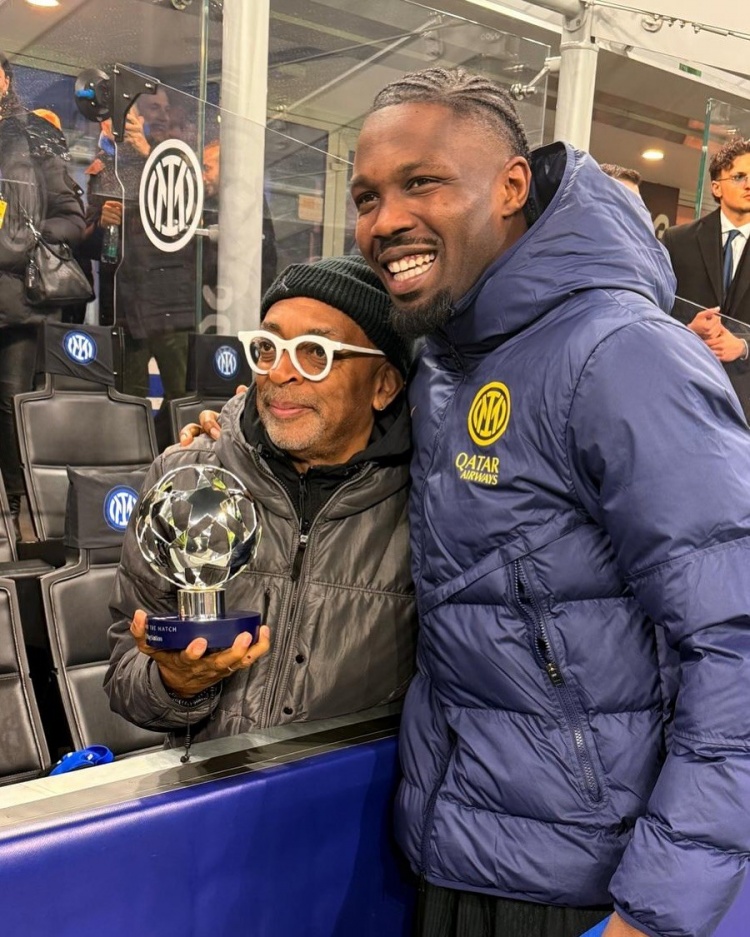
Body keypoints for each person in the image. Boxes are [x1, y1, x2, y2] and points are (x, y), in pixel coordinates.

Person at [350, 67, 750, 937]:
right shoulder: (443, 358)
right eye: (367, 196)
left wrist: (657, 909)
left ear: (511, 186)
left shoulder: (623, 354)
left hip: (591, 893)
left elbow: (736, 644)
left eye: (422, 181)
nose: (386, 220)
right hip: (455, 856)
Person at [104, 254, 416, 751]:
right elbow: (124, 678)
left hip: (351, 794)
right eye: (268, 347)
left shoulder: (427, 503)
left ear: (384, 386)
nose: (281, 372)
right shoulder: (183, 478)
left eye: (315, 352)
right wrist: (175, 684)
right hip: (210, 788)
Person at [0, 53, 85, 535]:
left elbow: (71, 217)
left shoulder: (33, 133)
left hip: (16, 304)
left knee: (11, 410)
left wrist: (24, 238)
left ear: (6, 80)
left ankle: (19, 519)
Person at [85, 88, 195, 447]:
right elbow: (85, 243)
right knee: (130, 399)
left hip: (171, 303)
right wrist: (100, 223)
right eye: (151, 108)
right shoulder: (108, 167)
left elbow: (182, 214)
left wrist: (149, 154)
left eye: (165, 108)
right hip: (128, 305)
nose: (160, 115)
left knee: (182, 398)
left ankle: (172, 457)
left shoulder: (177, 159)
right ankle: (136, 460)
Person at [662, 138, 750, 420]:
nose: (749, 185)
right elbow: (657, 309)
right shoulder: (678, 240)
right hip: (685, 389)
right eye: (739, 177)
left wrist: (744, 346)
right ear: (716, 187)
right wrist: (688, 329)